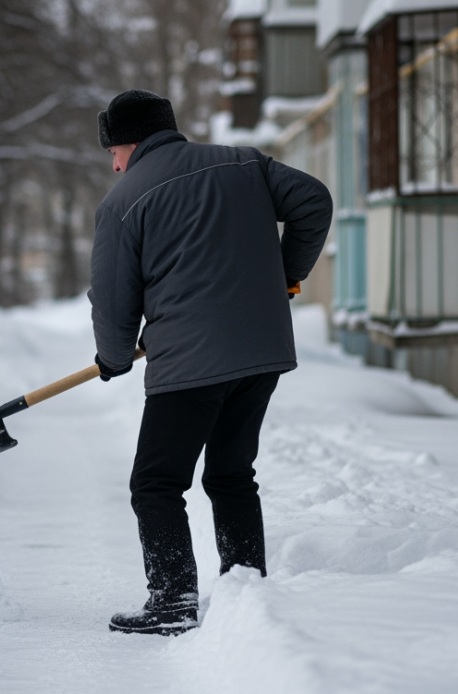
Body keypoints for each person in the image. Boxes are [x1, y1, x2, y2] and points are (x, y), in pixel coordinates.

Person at [89, 89, 332, 635]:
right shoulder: (244, 163)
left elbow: (112, 298)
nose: (114, 164)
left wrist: (113, 357)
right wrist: (286, 275)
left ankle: (172, 599)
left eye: (113, 151)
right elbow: (314, 201)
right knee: (230, 474)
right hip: (261, 352)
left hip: (188, 363)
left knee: (156, 483)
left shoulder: (122, 202)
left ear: (130, 142)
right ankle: (246, 588)